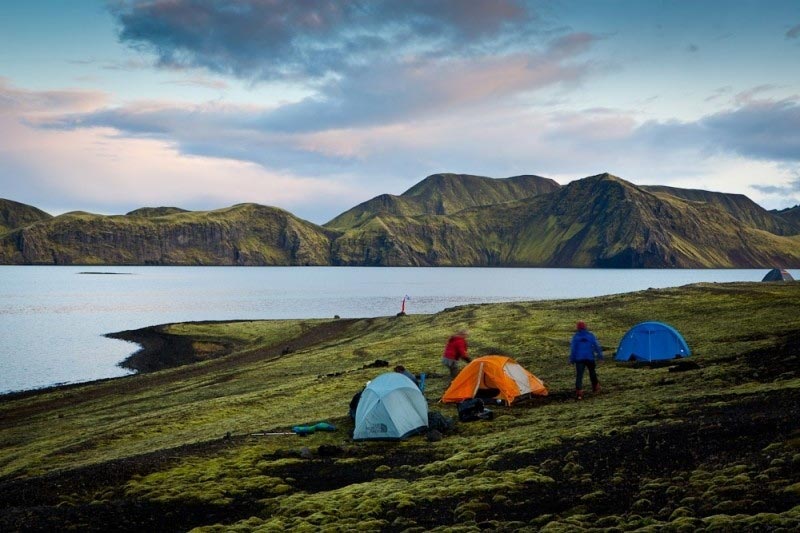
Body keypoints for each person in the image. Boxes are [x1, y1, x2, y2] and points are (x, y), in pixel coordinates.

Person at [569, 320, 603, 400]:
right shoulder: (590, 335)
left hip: (579, 359)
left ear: (577, 328)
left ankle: (579, 392)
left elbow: (573, 349)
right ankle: (595, 387)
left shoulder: (576, 337)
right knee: (592, 373)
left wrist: (572, 359)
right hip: (589, 357)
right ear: (585, 327)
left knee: (579, 375)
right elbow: (596, 346)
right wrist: (600, 356)